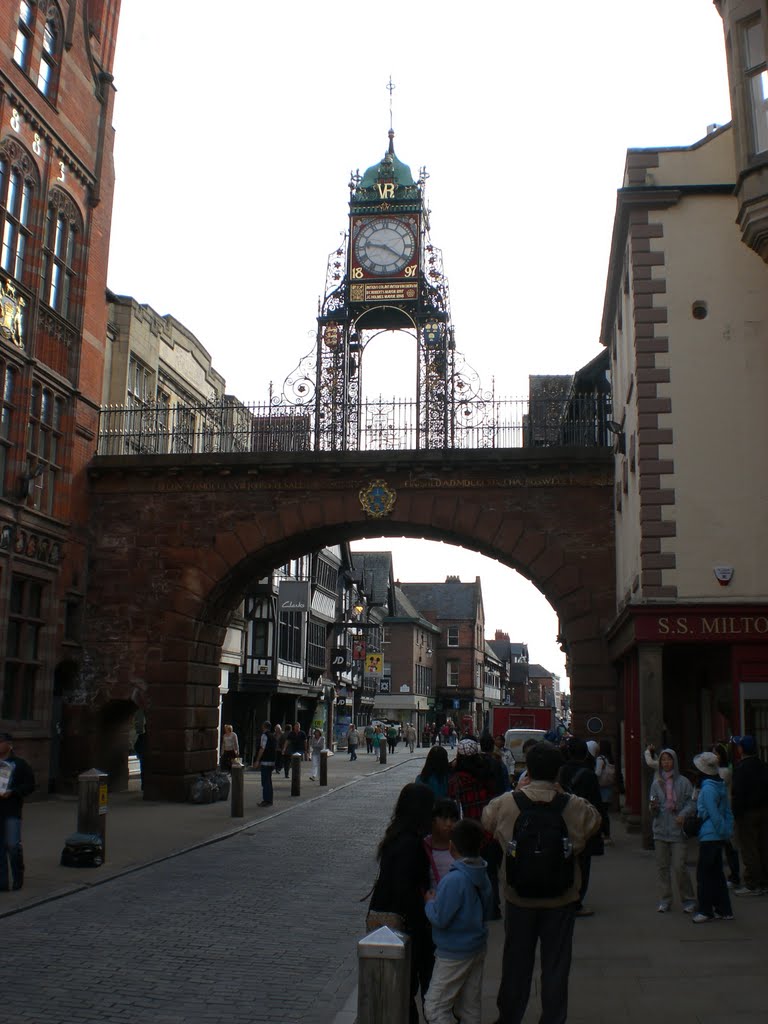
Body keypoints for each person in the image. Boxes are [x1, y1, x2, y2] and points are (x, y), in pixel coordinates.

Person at [482, 740, 601, 1024]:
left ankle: (510, 1016)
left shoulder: (507, 803)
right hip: (561, 898)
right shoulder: (572, 805)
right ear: (558, 772)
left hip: (518, 896)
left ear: (529, 770)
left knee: (516, 962)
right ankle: (553, 1017)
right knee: (556, 964)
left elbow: (487, 821)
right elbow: (595, 821)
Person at [368, 783, 435, 1024]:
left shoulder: (396, 835)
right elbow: (405, 888)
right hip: (406, 924)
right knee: (409, 985)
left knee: (402, 988)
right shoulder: (410, 842)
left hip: (390, 917)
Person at [423, 818, 494, 1024]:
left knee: (435, 1007)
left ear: (452, 845)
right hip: (476, 946)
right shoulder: (482, 873)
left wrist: (429, 902)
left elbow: (440, 918)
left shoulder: (453, 880)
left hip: (454, 951)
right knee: (470, 1007)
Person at [448, 738, 505, 919]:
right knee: (491, 871)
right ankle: (493, 907)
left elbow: (454, 806)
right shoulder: (489, 772)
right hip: (490, 827)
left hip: (468, 830)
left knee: (468, 870)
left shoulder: (457, 779)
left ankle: (472, 908)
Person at [559, 736, 604, 917]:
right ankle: (577, 901)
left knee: (566, 862)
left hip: (563, 823)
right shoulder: (589, 774)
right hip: (583, 824)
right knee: (583, 865)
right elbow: (596, 804)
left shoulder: (561, 771)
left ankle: (565, 897)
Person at [648, 748, 696, 913]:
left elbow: (691, 803)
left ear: (674, 762)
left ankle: (688, 899)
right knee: (662, 867)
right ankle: (665, 899)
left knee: (679, 866)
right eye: (663, 760)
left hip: (677, 830)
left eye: (669, 759)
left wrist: (683, 814)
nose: (666, 763)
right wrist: (653, 807)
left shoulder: (684, 782)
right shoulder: (656, 783)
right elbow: (653, 808)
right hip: (660, 830)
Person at [691, 750, 734, 923]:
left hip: (709, 835)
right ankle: (724, 909)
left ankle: (705, 910)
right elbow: (726, 812)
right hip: (718, 835)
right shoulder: (720, 785)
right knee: (717, 875)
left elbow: (713, 814)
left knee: (704, 875)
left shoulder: (707, 788)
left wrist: (720, 830)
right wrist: (726, 831)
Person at [730, 735, 768, 896]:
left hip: (747, 813)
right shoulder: (763, 765)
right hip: (764, 810)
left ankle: (753, 882)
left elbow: (737, 794)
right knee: (763, 846)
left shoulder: (741, 768)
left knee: (749, 848)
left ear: (741, 749)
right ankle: (764, 881)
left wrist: (736, 814)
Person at [0, 732, 36, 891]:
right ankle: (2, 882)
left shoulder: (19, 764)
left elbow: (30, 785)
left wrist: (13, 792)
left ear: (9, 744)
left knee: (13, 845)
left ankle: (18, 875)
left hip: (11, 810)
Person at [713, 741, 741, 888]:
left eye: (716, 754)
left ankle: (734, 875)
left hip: (725, 811)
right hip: (720, 811)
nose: (714, 756)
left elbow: (719, 788)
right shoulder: (719, 770)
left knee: (729, 846)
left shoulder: (724, 772)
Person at [424, 797, 461, 889]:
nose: (449, 824)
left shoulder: (462, 847)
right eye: (444, 818)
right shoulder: (424, 847)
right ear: (433, 820)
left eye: (453, 819)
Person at [594, 739, 616, 843]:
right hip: (608, 787)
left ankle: (603, 834)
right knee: (605, 813)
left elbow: (598, 773)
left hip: (601, 787)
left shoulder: (600, 759)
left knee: (600, 813)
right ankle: (607, 835)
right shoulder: (609, 758)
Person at [253, 721, 276, 807]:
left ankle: (266, 800)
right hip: (272, 761)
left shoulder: (264, 735)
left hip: (265, 761)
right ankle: (269, 799)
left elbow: (262, 748)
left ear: (264, 727)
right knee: (268, 781)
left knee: (265, 781)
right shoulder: (273, 736)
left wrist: (257, 760)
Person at [133, 726, 147, 792]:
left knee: (144, 772)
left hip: (143, 757)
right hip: (146, 757)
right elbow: (136, 746)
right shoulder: (143, 737)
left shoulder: (141, 737)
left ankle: (144, 786)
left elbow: (136, 746)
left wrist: (139, 754)